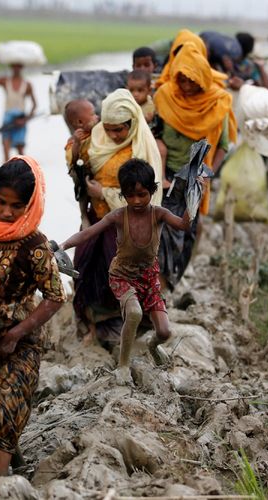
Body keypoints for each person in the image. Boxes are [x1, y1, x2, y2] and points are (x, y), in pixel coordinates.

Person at [0, 156, 65, 476]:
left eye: (16, 205)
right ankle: (15, 468)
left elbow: (55, 297)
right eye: (1, 202)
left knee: (4, 411)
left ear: (30, 204)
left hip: (20, 339)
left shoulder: (34, 245)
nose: (6, 212)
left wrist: (15, 334)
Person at [59, 159, 193, 384]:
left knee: (164, 333)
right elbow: (87, 233)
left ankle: (152, 347)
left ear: (152, 190)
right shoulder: (119, 216)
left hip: (149, 279)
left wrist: (193, 199)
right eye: (130, 196)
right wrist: (62, 246)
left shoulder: (158, 214)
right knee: (134, 313)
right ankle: (123, 365)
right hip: (122, 275)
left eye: (142, 194)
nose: (137, 201)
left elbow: (184, 225)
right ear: (122, 194)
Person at [73, 89, 162, 345]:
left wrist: (105, 192)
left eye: (119, 130)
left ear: (132, 124)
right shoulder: (96, 137)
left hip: (127, 222)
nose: (112, 135)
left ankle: (126, 323)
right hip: (97, 215)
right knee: (86, 268)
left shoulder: (142, 148)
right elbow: (81, 167)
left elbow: (144, 195)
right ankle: (93, 323)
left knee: (120, 271)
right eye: (109, 128)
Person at [154, 46, 237, 290]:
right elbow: (153, 134)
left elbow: (223, 145)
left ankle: (171, 283)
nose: (187, 84)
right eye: (182, 78)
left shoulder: (216, 102)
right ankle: (158, 291)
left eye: (193, 79)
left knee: (187, 234)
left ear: (202, 77)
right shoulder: (165, 96)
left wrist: (209, 174)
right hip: (167, 178)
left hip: (195, 181)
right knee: (164, 234)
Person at [0, 60, 37, 160]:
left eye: (18, 66)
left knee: (20, 151)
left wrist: (25, 119)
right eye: (14, 66)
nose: (16, 69)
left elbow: (34, 105)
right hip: (8, 118)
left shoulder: (27, 84)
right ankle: (6, 173)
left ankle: (22, 173)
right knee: (5, 149)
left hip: (21, 118)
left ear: (21, 67)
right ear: (11, 67)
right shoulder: (5, 81)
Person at [64, 99, 100, 226]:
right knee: (83, 191)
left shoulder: (97, 131)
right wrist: (77, 144)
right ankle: (84, 215)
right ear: (80, 122)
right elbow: (72, 160)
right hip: (81, 170)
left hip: (95, 167)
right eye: (93, 114)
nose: (97, 116)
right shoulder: (74, 140)